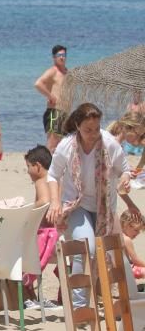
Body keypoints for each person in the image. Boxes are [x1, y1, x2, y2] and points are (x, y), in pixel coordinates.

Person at [46, 103, 136, 307]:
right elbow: (52, 174)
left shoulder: (109, 142)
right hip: (76, 206)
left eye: (96, 129)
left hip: (105, 208)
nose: (93, 134)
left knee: (107, 255)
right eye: (88, 130)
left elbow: (124, 169)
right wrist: (54, 203)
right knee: (85, 247)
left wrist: (125, 180)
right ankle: (79, 306)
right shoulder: (66, 145)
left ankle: (105, 298)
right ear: (77, 125)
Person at [21, 145, 59, 308]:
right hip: (60, 232)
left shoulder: (41, 180)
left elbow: (44, 201)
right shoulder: (57, 179)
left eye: (28, 167)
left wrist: (28, 211)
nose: (28, 171)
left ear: (37, 166)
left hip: (48, 235)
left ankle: (27, 294)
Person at [34, 44, 68, 152]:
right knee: (52, 144)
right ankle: (46, 167)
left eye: (64, 55)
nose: (62, 57)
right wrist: (50, 96)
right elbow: (38, 84)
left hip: (64, 113)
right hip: (54, 112)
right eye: (59, 55)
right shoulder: (53, 71)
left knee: (61, 145)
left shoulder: (67, 72)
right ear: (54, 57)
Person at [120, 211, 145, 282]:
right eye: (136, 230)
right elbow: (136, 261)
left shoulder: (119, 237)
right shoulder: (127, 240)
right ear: (126, 225)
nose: (138, 233)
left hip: (121, 269)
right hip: (126, 270)